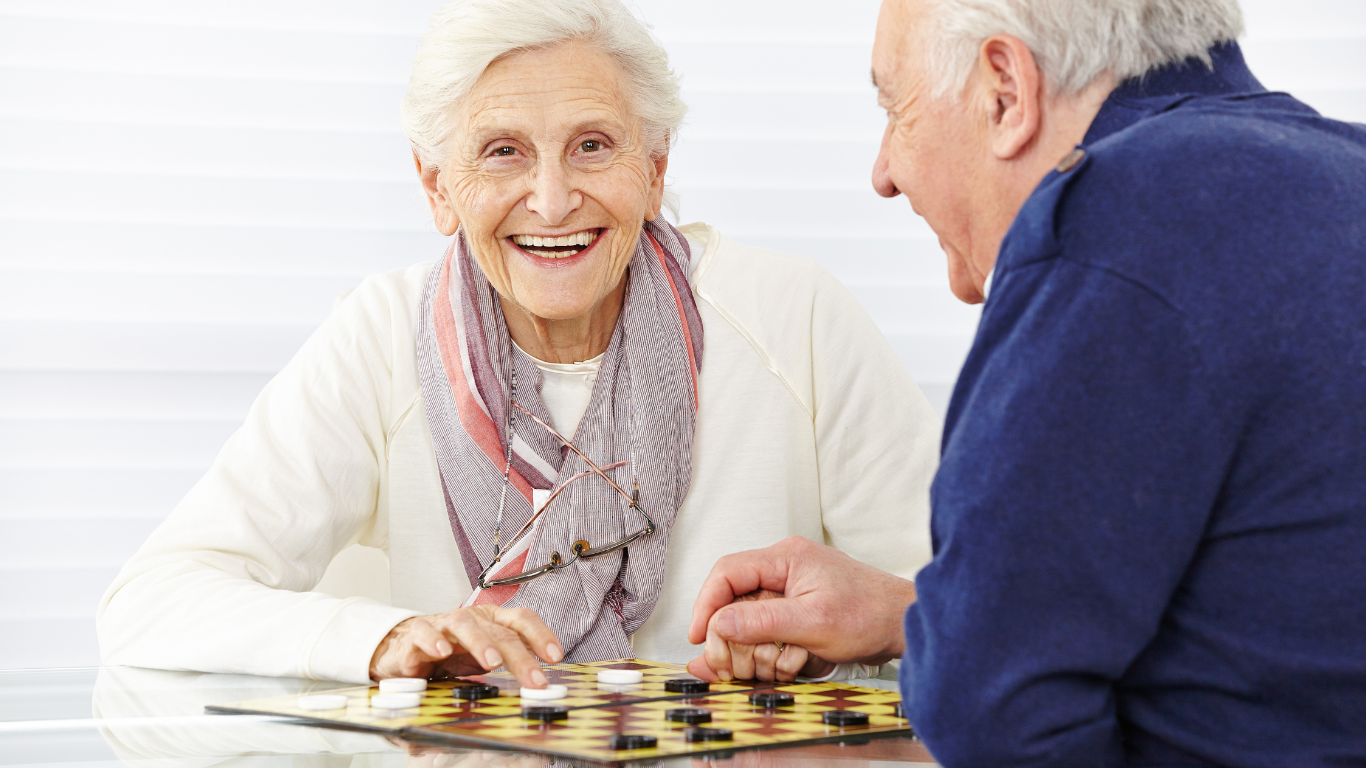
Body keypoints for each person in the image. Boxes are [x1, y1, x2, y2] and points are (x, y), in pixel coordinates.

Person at [96, 0, 941, 688]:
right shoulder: (379, 336)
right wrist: (389, 638)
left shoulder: (795, 316)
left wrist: (843, 644)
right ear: (437, 188)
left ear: (654, 168)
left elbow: (960, 608)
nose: (550, 198)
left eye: (592, 146)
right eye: (502, 153)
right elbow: (154, 599)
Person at [687, 0, 1366, 764]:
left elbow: (991, 711)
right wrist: (912, 616)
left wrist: (962, 650)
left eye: (895, 107)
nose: (883, 172)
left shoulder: (1112, 223)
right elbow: (1265, 625)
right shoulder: (1339, 171)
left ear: (1005, 93)